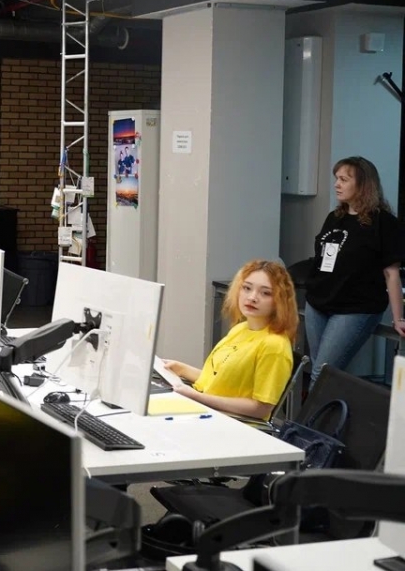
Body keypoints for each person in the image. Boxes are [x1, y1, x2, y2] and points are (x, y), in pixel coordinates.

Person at [303, 156, 405, 384]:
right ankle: (331, 408)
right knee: (321, 370)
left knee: (322, 373)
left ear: (363, 184)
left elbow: (392, 274)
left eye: (344, 179)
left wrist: (398, 318)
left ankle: (311, 411)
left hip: (354, 308)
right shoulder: (334, 217)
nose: (337, 184)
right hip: (318, 302)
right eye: (336, 179)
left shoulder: (384, 223)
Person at [161, 259, 297, 420]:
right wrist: (181, 369)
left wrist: (197, 397)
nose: (252, 297)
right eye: (247, 288)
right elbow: (218, 381)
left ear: (279, 301)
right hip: (209, 411)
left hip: (233, 423)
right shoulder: (241, 329)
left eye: (266, 293)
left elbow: (261, 408)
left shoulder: (274, 346)